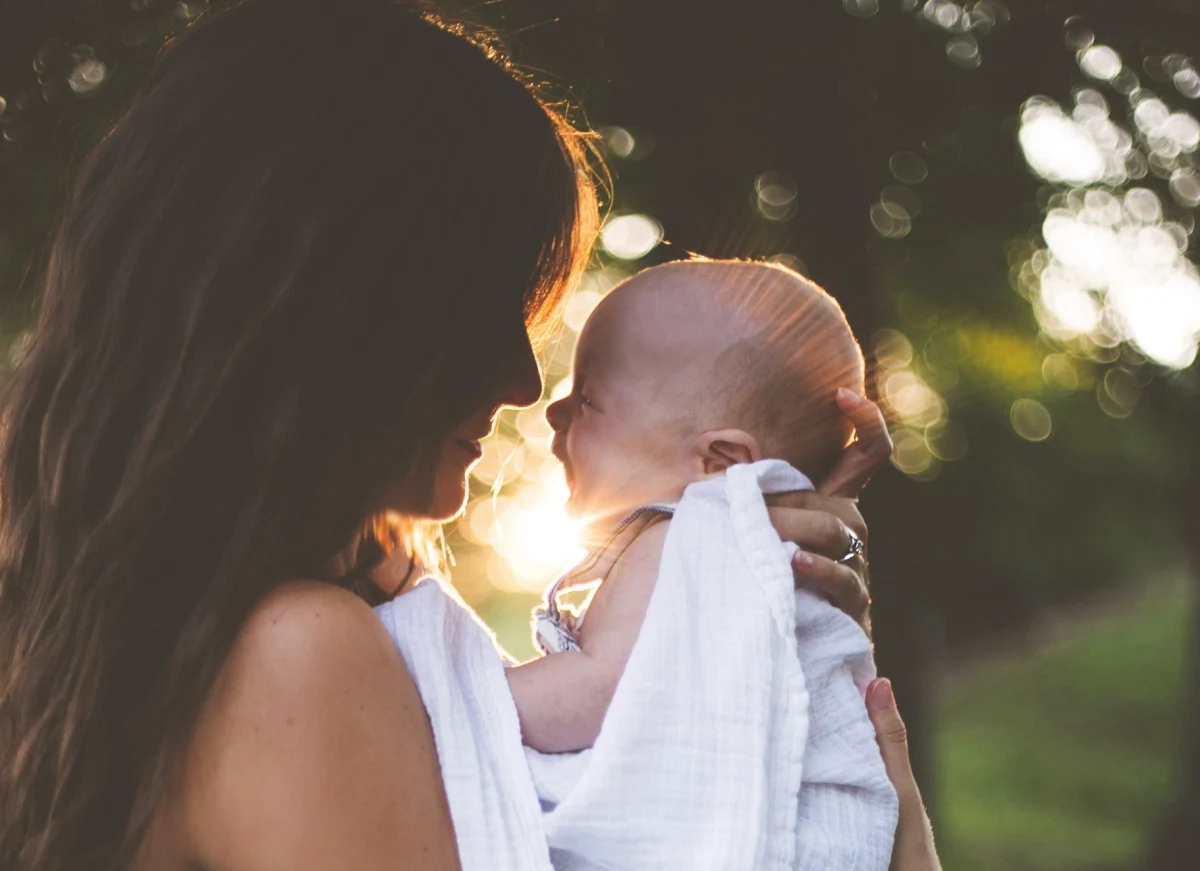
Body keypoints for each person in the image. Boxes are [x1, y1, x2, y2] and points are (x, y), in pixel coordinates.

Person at [0, 1, 942, 870]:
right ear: (336, 302)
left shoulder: (104, 637)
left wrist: (735, 558)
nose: (523, 383)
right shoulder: (298, 655)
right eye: (486, 311)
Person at [505, 259, 897, 870]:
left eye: (587, 398)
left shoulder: (682, 536)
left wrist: (455, 685)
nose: (553, 412)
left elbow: (596, 695)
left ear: (719, 463)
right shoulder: (747, 552)